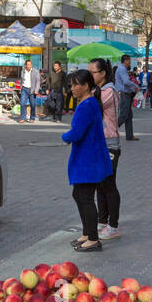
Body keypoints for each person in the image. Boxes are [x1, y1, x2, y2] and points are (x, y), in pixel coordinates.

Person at [61, 69, 112, 253]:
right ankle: (87, 233)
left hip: (88, 160)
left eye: (76, 84)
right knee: (79, 196)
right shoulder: (88, 103)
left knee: (86, 198)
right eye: (71, 84)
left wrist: (63, 136)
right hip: (88, 157)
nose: (72, 88)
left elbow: (75, 133)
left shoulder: (87, 105)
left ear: (86, 86)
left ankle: (93, 239)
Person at [89, 59, 122, 241]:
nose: (91, 76)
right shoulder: (98, 90)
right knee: (100, 185)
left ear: (102, 73)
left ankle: (113, 225)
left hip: (110, 143)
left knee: (108, 184)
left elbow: (92, 105)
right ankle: (102, 221)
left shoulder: (108, 91)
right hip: (98, 142)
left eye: (93, 72)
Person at [113, 54, 139, 141]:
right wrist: (136, 87)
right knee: (124, 115)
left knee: (129, 116)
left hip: (126, 94)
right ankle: (111, 131)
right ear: (125, 61)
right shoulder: (122, 69)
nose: (130, 63)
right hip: (124, 94)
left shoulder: (122, 69)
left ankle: (130, 135)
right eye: (129, 61)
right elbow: (126, 81)